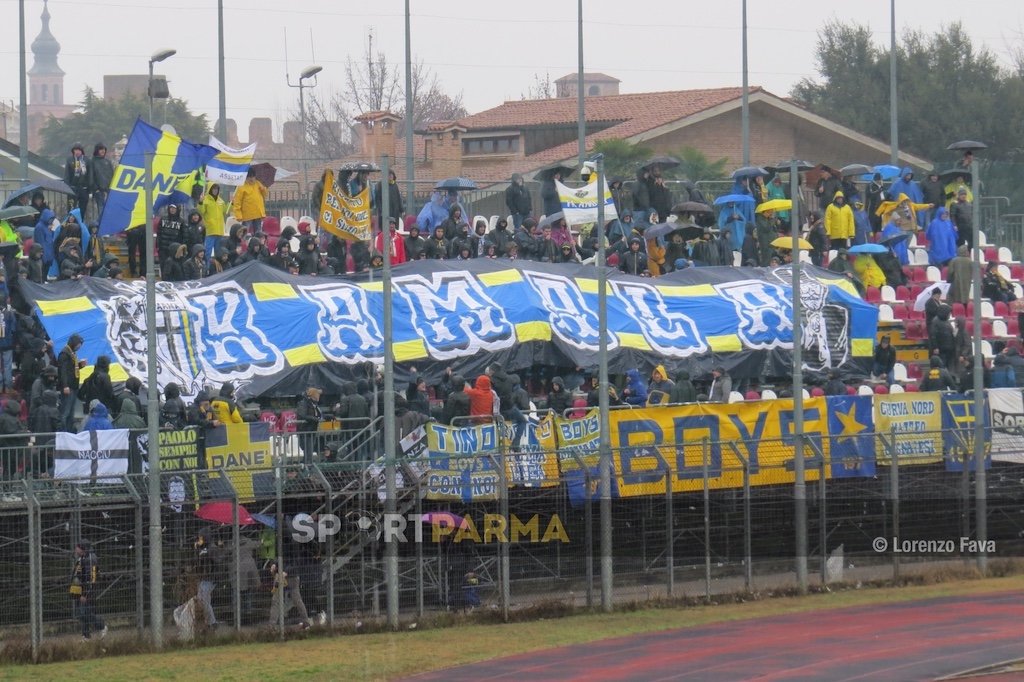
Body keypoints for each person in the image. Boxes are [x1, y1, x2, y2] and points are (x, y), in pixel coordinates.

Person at [70, 540, 106, 640]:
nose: (76, 549)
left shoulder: (90, 559)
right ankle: (86, 636)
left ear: (82, 548)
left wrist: (85, 594)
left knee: (84, 612)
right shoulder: (82, 558)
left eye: (77, 547)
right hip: (80, 591)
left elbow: (92, 578)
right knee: (82, 613)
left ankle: (101, 626)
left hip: (88, 592)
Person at [57, 333, 85, 431]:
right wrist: (65, 386)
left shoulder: (72, 353)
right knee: (66, 411)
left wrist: (80, 365)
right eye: (78, 344)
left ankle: (69, 430)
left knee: (71, 412)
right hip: (68, 387)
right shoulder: (65, 353)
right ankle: (63, 430)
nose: (79, 347)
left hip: (74, 386)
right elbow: (63, 371)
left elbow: (71, 368)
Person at [199, 184, 230, 267]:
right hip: (210, 230)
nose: (216, 190)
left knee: (218, 253)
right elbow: (201, 211)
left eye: (217, 189)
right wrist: (200, 202)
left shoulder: (221, 201)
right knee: (208, 252)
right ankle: (206, 269)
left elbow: (225, 211)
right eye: (214, 189)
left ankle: (217, 269)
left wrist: (232, 203)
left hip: (219, 231)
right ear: (210, 189)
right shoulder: (205, 200)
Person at [295, 387, 324, 465]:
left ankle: (308, 466)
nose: (319, 396)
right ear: (313, 395)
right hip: (305, 431)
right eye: (317, 394)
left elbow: (318, 415)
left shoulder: (314, 404)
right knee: (307, 451)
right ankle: (307, 468)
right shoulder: (303, 403)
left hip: (311, 430)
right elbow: (302, 415)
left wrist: (327, 416)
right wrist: (314, 419)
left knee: (309, 451)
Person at [64, 142, 91, 214]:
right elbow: (67, 175)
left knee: (82, 210)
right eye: (75, 150)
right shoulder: (70, 160)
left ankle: (80, 224)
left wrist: (89, 188)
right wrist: (68, 187)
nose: (77, 152)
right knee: (71, 210)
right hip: (73, 189)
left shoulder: (87, 160)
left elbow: (90, 175)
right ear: (73, 151)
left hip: (84, 189)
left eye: (79, 150)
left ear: (82, 151)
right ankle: (70, 224)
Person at [89, 143, 114, 220]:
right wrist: (95, 188)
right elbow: (91, 176)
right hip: (99, 191)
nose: (103, 151)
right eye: (101, 149)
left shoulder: (108, 162)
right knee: (101, 210)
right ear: (97, 150)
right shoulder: (92, 161)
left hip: (109, 190)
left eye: (104, 149)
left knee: (109, 210)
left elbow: (112, 174)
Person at [928, 304, 956, 372]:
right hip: (941, 350)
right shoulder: (936, 321)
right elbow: (933, 335)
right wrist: (935, 347)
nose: (950, 314)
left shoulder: (946, 321)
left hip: (947, 349)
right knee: (941, 366)